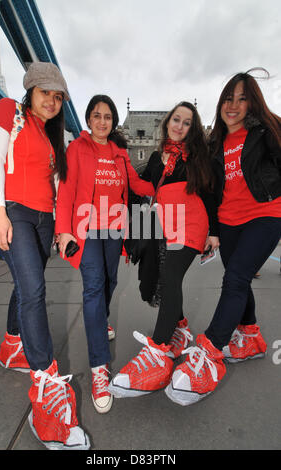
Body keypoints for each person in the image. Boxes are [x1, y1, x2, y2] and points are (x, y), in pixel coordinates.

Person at [0, 62, 90, 450]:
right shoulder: (7, 111)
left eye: (59, 96)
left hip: (45, 221)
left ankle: (13, 344)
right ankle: (45, 384)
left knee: (27, 286)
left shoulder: (51, 138)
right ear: (31, 90)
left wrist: (63, 230)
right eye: (47, 92)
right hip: (14, 211)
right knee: (34, 291)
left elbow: (60, 188)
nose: (53, 100)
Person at [165, 68, 281, 406]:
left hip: (265, 214)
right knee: (238, 281)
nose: (233, 105)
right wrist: (213, 230)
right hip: (229, 221)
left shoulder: (267, 131)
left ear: (252, 103)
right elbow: (211, 190)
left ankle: (211, 351)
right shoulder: (215, 142)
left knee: (235, 278)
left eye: (242, 99)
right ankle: (252, 338)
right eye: (229, 98)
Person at [108, 101, 219, 398]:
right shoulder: (157, 156)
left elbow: (211, 194)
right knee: (161, 278)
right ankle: (180, 328)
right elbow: (141, 187)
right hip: (163, 224)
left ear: (192, 128)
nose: (179, 126)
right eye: (176, 120)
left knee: (171, 278)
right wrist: (116, 160)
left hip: (191, 223)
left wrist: (215, 233)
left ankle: (158, 352)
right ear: (167, 122)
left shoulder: (199, 156)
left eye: (186, 122)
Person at [55, 95, 155, 414]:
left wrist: (162, 181)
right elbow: (67, 191)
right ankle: (100, 368)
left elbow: (136, 183)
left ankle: (102, 321)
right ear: (88, 119)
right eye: (97, 116)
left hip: (113, 229)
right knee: (95, 286)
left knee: (111, 281)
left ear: (112, 123)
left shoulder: (119, 153)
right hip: (85, 230)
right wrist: (63, 230)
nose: (102, 121)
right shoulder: (77, 149)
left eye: (108, 117)